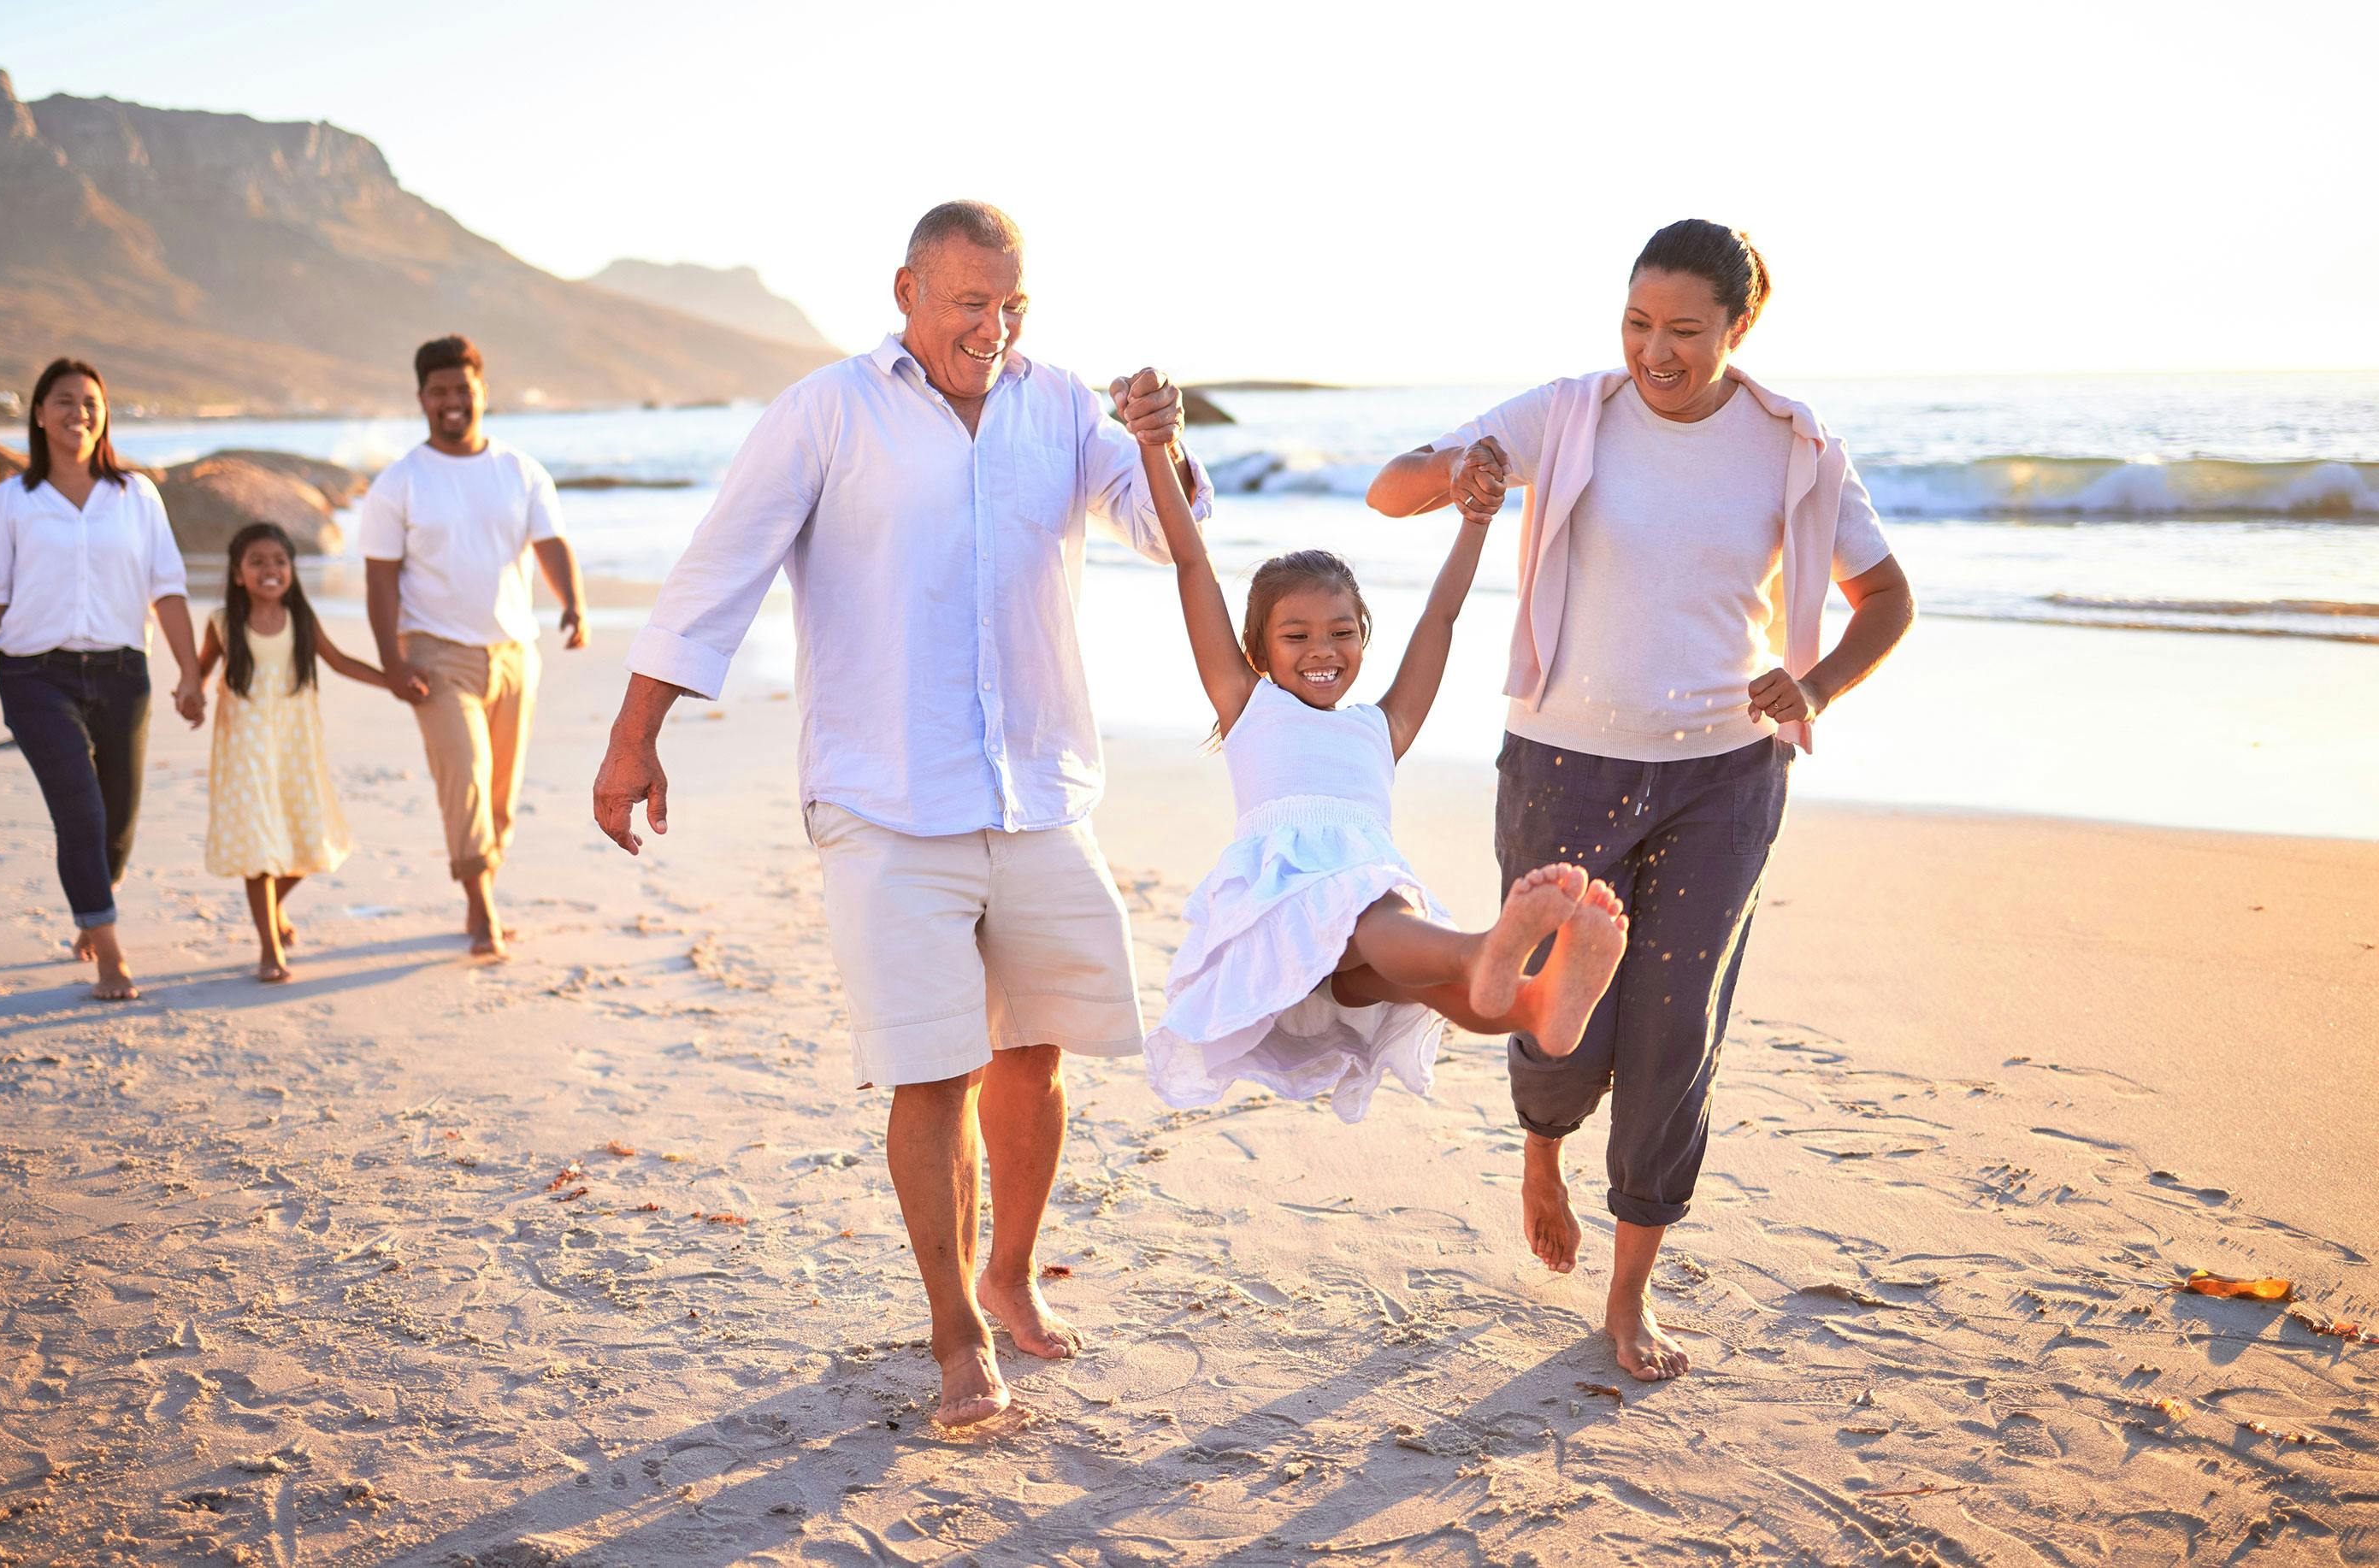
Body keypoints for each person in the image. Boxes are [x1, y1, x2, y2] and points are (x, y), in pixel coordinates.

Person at [592, 201, 1207, 1429]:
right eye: (971, 301)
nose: (995, 325)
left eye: (1012, 302)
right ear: (909, 292)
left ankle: (1012, 1273)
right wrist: (631, 734)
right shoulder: (831, 408)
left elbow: (1158, 531)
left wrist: (1156, 441)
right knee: (931, 1072)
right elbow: (723, 566)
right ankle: (953, 1328)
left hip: (1037, 793)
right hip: (885, 798)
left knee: (1032, 1056)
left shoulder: (1062, 404)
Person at [1367, 219, 1917, 1382]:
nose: (1655, 353)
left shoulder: (1792, 443)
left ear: (1737, 327)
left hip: (1727, 770)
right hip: (1565, 756)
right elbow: (1391, 487)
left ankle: (1630, 1292)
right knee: (1565, 1017)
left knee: (1677, 1024)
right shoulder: (1570, 412)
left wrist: (1811, 682)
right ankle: (1543, 1147)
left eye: (1683, 331)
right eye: (1636, 324)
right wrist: (1454, 477)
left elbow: (1887, 597)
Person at [1131, 417, 1629, 1122]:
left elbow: (1442, 617)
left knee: (1423, 982)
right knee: (1377, 911)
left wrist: (1476, 521)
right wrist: (1154, 448)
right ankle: (1487, 948)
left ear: (1364, 635)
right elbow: (1191, 562)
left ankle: (1533, 1004)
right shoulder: (1248, 706)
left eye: (1341, 632)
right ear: (1258, 651)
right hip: (1285, 910)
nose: (1321, 649)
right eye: (1295, 636)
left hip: (1357, 952)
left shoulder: (1381, 727)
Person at [0, 357, 204, 1001]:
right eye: (64, 401)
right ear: (39, 414)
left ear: (105, 415)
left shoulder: (137, 496)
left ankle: (94, 895)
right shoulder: (11, 502)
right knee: (81, 810)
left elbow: (168, 590)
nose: (79, 414)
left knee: (118, 822)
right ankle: (108, 950)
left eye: (91, 403)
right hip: (36, 676)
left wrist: (190, 672)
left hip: (124, 674)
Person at [362, 334, 587, 958]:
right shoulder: (399, 483)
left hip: (515, 654)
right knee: (463, 778)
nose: (452, 402)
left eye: (463, 389)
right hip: (436, 655)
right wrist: (392, 661)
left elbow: (550, 544)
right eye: (439, 392)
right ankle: (481, 907)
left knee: (501, 795)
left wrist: (573, 602)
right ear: (421, 399)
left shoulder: (520, 470)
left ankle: (482, 886)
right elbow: (380, 579)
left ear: (482, 392)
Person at [198, 523, 390, 981]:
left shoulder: (302, 619)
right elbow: (200, 672)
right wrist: (189, 692)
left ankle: (271, 910)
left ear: (292, 570)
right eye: (257, 562)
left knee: (310, 842)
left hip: (294, 749)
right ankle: (269, 950)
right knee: (261, 847)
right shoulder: (223, 623)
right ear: (238, 573)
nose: (270, 570)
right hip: (244, 751)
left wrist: (394, 682)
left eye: (280, 561)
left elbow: (339, 661)